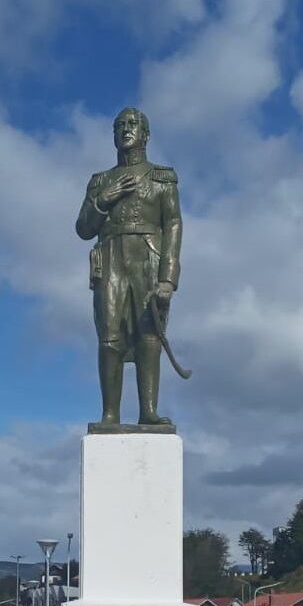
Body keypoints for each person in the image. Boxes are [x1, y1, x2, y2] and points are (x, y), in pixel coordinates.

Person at [76, 107, 182, 426]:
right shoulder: (100, 182)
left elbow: (174, 224)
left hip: (148, 256)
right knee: (109, 338)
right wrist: (103, 200)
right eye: (119, 126)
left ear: (145, 134)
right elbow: (83, 229)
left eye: (133, 125)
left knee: (148, 335)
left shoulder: (162, 178)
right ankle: (110, 414)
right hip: (110, 258)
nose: (126, 130)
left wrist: (168, 279)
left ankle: (147, 411)